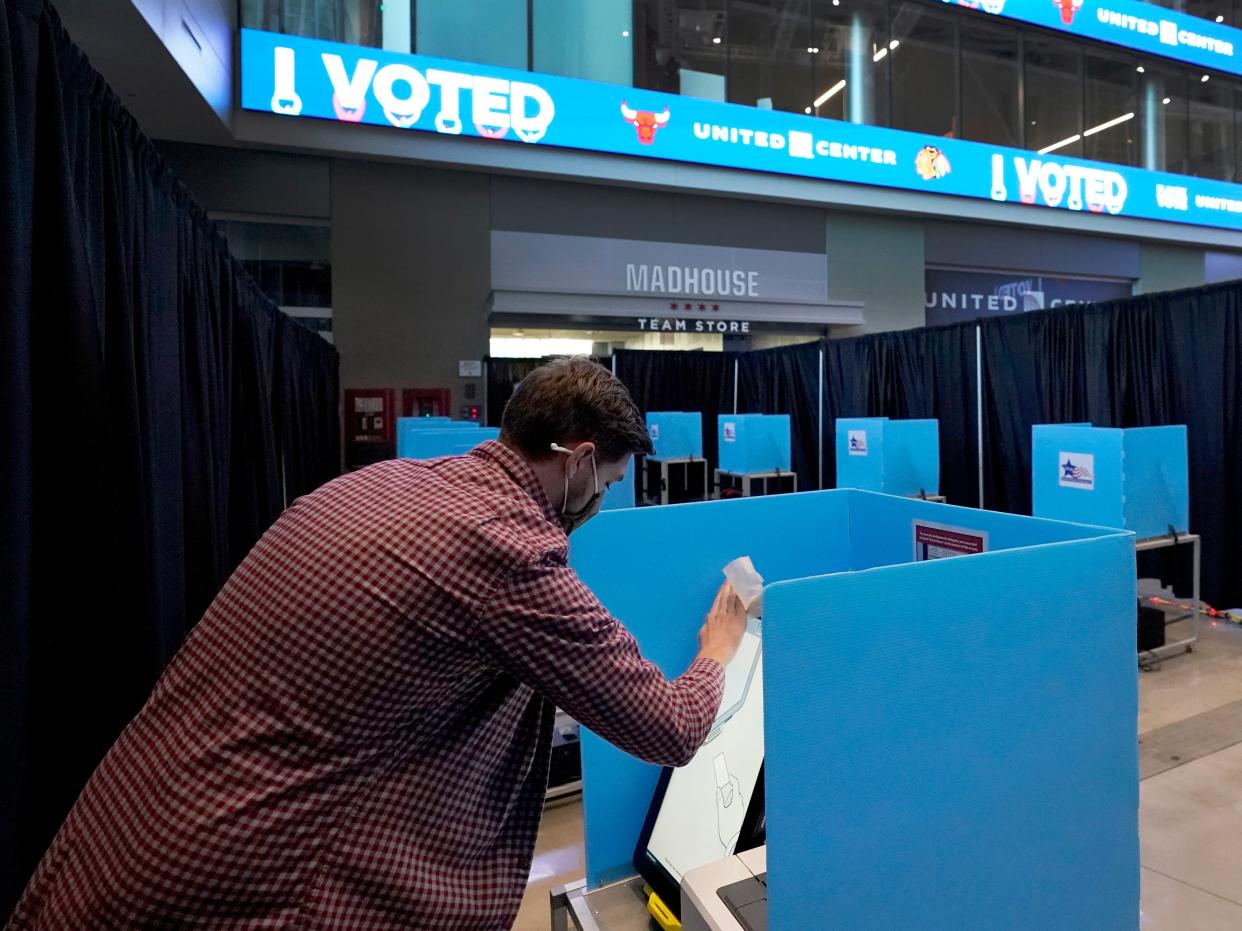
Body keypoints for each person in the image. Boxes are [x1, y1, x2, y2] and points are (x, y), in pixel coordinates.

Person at [8, 356, 747, 930]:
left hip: (132, 829)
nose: (602, 501)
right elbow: (668, 725)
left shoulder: (382, 483)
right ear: (579, 459)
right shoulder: (504, 546)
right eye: (610, 481)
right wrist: (717, 647)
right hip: (253, 874)